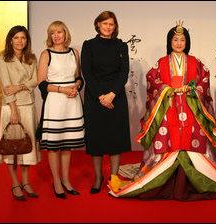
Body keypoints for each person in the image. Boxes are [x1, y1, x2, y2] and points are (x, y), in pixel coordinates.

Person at [108, 21, 216, 201]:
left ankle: (195, 181)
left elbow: (203, 82)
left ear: (187, 42)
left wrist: (193, 89)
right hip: (168, 109)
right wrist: (167, 89)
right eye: (175, 39)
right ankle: (165, 181)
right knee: (168, 141)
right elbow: (153, 81)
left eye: (182, 40)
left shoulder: (195, 62)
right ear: (170, 41)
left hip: (190, 108)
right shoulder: (161, 63)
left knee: (193, 140)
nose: (179, 43)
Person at [81, 11, 131, 194]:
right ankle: (97, 178)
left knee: (115, 139)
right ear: (98, 25)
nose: (108, 27)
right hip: (95, 97)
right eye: (105, 24)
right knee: (97, 139)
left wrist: (111, 94)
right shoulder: (89, 45)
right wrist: (101, 96)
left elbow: (123, 73)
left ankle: (115, 176)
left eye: (112, 24)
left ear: (115, 27)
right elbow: (87, 72)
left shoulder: (121, 45)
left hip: (116, 96)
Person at [37, 21, 84, 199]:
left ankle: (66, 180)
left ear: (65, 34)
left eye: (59, 32)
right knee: (54, 146)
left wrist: (77, 86)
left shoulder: (74, 52)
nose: (56, 36)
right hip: (55, 102)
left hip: (72, 101)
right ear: (49, 37)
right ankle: (56, 181)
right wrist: (62, 89)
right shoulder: (45, 54)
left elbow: (78, 76)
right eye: (52, 33)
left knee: (67, 145)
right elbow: (41, 83)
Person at [0, 25, 42, 201]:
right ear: (10, 40)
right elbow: (6, 87)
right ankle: (15, 184)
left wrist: (21, 86)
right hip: (11, 108)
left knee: (26, 146)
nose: (20, 41)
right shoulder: (3, 58)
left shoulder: (31, 58)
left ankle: (26, 182)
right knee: (12, 147)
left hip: (29, 106)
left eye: (23, 38)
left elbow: (35, 80)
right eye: (16, 38)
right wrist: (14, 111)